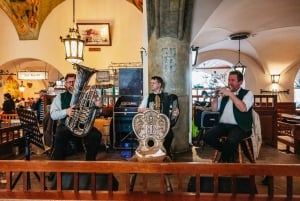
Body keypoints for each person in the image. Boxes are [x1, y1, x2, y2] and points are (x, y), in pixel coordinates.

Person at [203, 70, 254, 163]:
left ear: (240, 82)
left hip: (240, 126)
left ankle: (223, 160)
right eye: (229, 80)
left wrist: (230, 94)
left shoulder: (247, 93)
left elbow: (243, 108)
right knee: (207, 136)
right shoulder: (225, 96)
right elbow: (214, 109)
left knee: (232, 139)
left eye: (233, 80)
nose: (230, 83)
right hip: (223, 125)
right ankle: (229, 153)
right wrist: (215, 96)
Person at [50, 73, 102, 161]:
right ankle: (58, 166)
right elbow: (53, 115)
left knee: (96, 135)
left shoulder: (87, 95)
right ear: (65, 84)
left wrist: (98, 106)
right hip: (66, 126)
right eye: (69, 82)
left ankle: (90, 162)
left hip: (83, 126)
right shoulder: (59, 97)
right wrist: (66, 111)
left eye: (74, 82)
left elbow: (97, 114)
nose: (71, 84)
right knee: (60, 134)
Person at [138, 76, 180, 158]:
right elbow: (139, 109)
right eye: (151, 83)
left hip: (164, 125)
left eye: (153, 83)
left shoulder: (169, 97)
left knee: (169, 134)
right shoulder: (148, 97)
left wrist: (176, 113)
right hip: (151, 126)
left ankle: (166, 153)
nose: (151, 85)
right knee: (149, 139)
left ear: (159, 84)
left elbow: (174, 111)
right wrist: (145, 110)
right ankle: (153, 154)